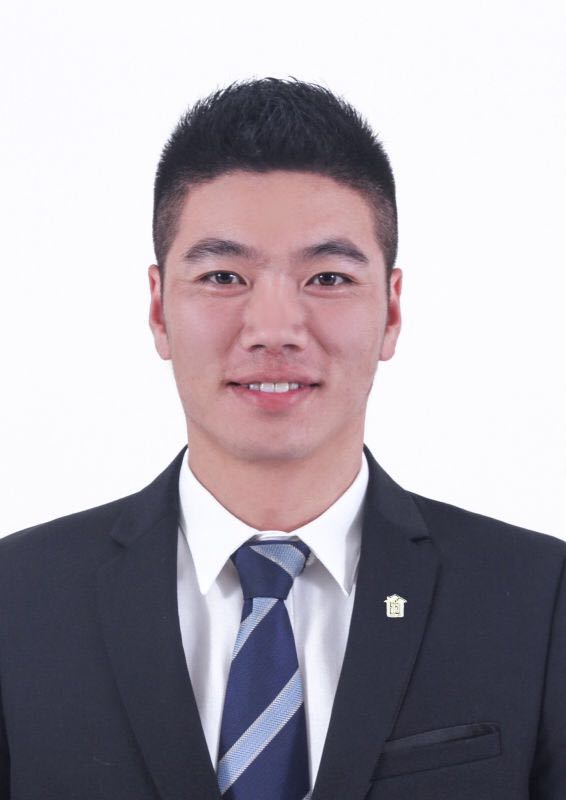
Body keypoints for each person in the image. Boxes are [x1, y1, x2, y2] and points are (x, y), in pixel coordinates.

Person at [0, 78, 564, 800]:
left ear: (391, 312)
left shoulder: (540, 599)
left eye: (327, 277)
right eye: (223, 276)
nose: (274, 330)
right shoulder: (18, 599)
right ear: (159, 309)